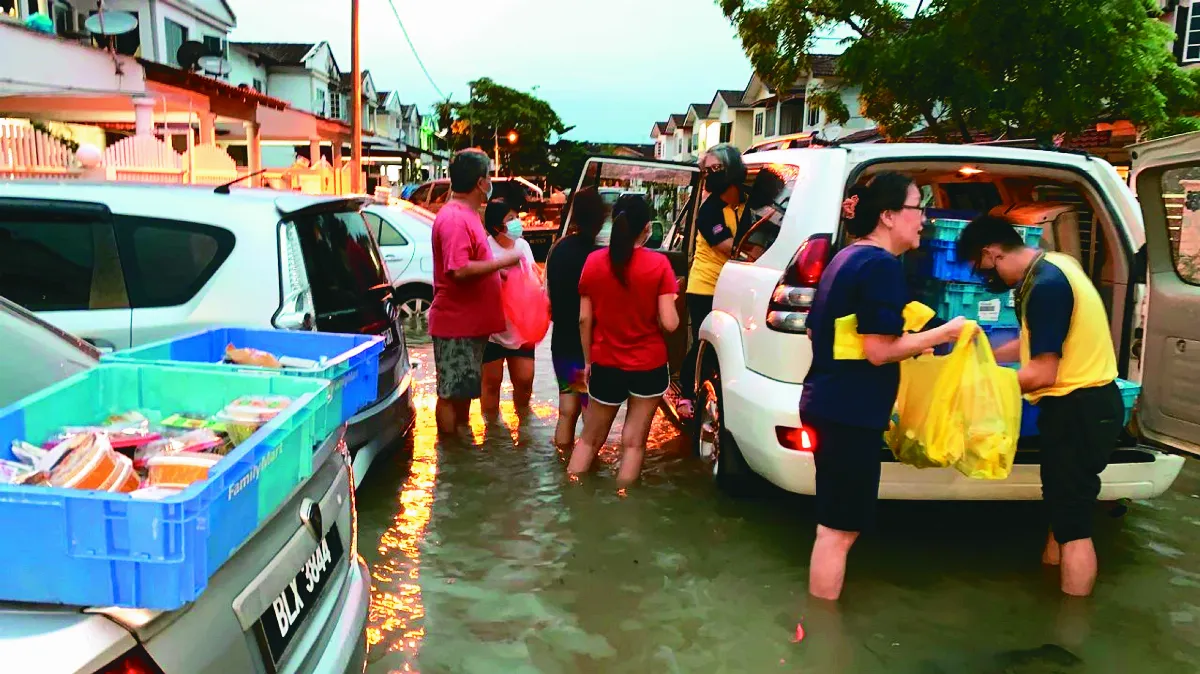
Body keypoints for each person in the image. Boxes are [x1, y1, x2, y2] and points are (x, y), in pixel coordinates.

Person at [800, 172, 966, 601]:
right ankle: (822, 639)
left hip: (829, 403)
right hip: (848, 413)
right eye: (917, 208)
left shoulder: (847, 257)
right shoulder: (880, 267)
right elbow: (877, 349)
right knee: (839, 531)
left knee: (834, 524)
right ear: (889, 216)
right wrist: (944, 333)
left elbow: (819, 333)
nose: (924, 220)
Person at [957, 214, 1121, 597]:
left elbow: (1044, 372)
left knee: (1074, 524)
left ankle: (1069, 631)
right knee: (1063, 507)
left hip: (1078, 408)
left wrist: (985, 389)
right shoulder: (1057, 264)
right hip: (1086, 405)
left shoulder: (1045, 287)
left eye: (982, 268)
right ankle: (1051, 588)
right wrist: (984, 357)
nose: (986, 277)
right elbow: (1037, 342)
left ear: (992, 252)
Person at [567, 194, 679, 487]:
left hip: (606, 362)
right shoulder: (660, 265)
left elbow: (584, 319)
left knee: (589, 440)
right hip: (648, 365)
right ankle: (624, 501)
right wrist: (673, 294)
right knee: (633, 443)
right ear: (647, 228)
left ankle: (572, 497)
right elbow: (670, 323)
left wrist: (588, 361)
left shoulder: (593, 262)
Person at [428, 149, 522, 435]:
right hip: (456, 324)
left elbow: (469, 263)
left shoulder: (466, 215)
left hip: (467, 325)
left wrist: (496, 272)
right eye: (489, 177)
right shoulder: (456, 218)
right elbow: (457, 270)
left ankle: (461, 451)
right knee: (451, 394)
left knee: (462, 394)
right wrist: (502, 261)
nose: (490, 182)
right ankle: (452, 454)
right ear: (481, 182)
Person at [678, 144, 749, 419]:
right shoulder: (708, 210)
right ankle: (687, 392)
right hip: (705, 286)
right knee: (704, 343)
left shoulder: (747, 202)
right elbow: (727, 247)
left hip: (735, 285)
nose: (709, 175)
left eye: (715, 169)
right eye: (705, 170)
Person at [545, 187, 608, 448]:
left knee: (567, 410)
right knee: (590, 413)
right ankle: (585, 474)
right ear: (601, 219)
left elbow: (548, 298)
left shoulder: (557, 250)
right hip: (588, 345)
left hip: (562, 340)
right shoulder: (599, 257)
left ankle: (562, 468)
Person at [480, 199, 538, 417]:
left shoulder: (523, 246)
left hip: (521, 327)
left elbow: (533, 280)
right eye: (510, 219)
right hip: (492, 330)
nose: (516, 223)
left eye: (516, 217)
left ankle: (524, 426)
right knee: (491, 385)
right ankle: (492, 435)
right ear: (497, 227)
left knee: (524, 381)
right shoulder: (484, 248)